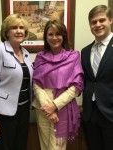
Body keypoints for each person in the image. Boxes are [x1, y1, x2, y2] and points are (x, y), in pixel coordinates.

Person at [32, 20, 84, 150]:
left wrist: (54, 106)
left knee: (57, 148)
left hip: (62, 109)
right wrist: (47, 108)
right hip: (42, 109)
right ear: (45, 37)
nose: (54, 38)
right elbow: (36, 84)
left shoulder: (74, 56)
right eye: (50, 34)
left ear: (64, 36)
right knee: (44, 146)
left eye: (58, 34)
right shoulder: (40, 56)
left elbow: (76, 87)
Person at [0, 14, 33, 150]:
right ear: (6, 32)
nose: (18, 31)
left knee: (20, 146)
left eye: (21, 28)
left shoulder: (26, 53)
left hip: (24, 111)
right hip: (4, 114)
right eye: (14, 27)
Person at [81, 5, 113, 150]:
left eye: (102, 20)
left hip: (110, 114)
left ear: (110, 20)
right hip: (90, 114)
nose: (98, 25)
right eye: (94, 22)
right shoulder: (85, 51)